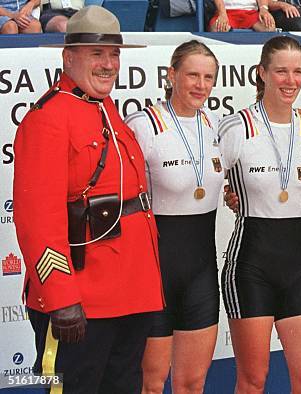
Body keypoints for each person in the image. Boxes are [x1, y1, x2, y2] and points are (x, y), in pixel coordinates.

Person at [13, 6, 163, 393]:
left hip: (130, 292)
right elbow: (37, 218)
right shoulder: (47, 118)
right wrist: (60, 295)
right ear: (69, 57)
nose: (109, 64)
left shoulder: (106, 108)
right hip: (82, 297)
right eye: (97, 53)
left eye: (114, 54)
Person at [218, 36, 301, 393]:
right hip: (251, 265)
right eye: (280, 71)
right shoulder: (236, 128)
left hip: (298, 264)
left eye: (297, 71)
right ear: (262, 73)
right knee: (252, 380)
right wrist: (230, 195)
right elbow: (205, 180)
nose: (290, 80)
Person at [125, 40, 223, 394]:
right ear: (172, 75)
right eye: (192, 75)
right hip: (153, 274)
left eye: (208, 77)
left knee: (192, 383)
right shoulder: (143, 124)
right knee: (150, 384)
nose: (201, 85)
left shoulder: (216, 126)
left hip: (200, 273)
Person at [209, 0, 275, 31]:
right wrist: (222, 13)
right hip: (226, 12)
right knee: (217, 28)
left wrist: (264, 9)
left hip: (251, 13)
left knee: (269, 27)